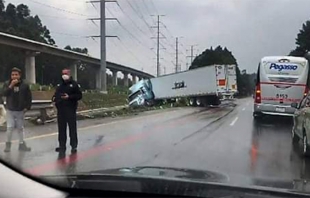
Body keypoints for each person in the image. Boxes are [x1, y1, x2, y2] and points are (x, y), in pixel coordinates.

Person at [2, 67, 32, 152]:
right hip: (10, 109)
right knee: (10, 127)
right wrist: (11, 86)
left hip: (20, 110)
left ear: (20, 75)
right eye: (12, 75)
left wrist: (27, 107)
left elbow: (28, 97)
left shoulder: (24, 85)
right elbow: (3, 93)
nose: (14, 76)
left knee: (20, 128)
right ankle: (8, 144)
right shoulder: (7, 83)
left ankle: (22, 144)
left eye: (16, 75)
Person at [52, 68, 82, 153]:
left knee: (72, 128)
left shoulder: (74, 84)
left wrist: (69, 97)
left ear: (69, 74)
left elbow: (79, 96)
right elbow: (55, 95)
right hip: (61, 110)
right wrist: (55, 99)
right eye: (63, 73)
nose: (64, 75)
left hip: (70, 109)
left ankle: (73, 146)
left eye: (66, 73)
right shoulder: (59, 85)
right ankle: (62, 145)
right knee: (61, 129)